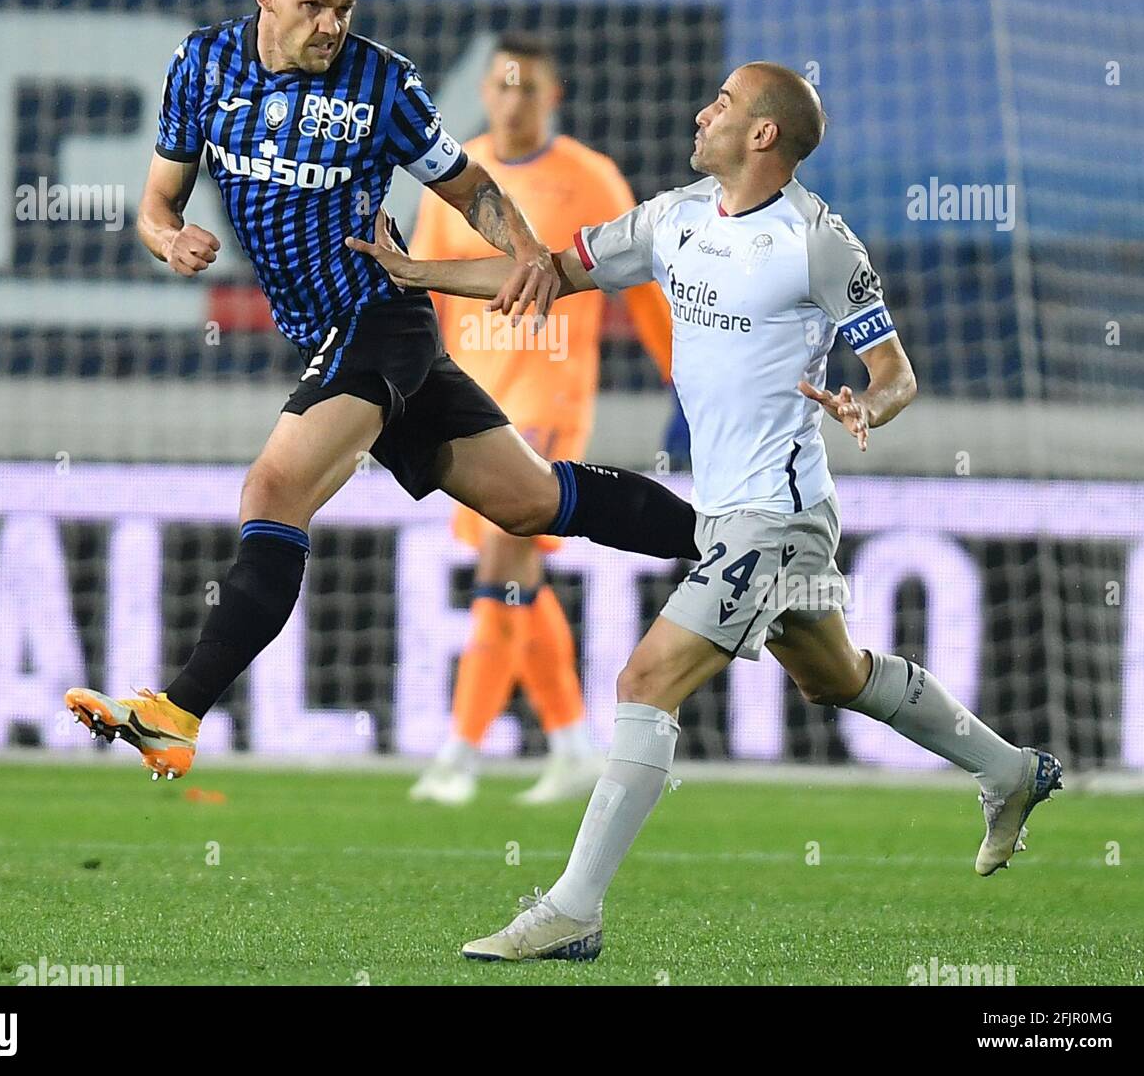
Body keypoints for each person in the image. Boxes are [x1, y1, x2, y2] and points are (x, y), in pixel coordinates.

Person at [349, 60, 1063, 962]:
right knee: (834, 679)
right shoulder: (673, 219)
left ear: (763, 134)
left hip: (780, 516)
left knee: (646, 682)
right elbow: (546, 271)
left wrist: (861, 407)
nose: (701, 111)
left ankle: (574, 908)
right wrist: (412, 269)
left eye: (722, 104)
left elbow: (895, 374)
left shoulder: (817, 241)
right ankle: (1007, 770)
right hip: (724, 511)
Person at [62, 0, 699, 780]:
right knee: (530, 502)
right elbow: (155, 204)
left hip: (377, 319)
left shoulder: (384, 82)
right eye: (315, 5)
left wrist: (524, 256)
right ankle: (728, 546)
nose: (331, 25)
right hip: (340, 338)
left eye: (345, 8)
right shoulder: (201, 67)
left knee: (274, 488)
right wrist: (167, 239)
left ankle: (178, 711)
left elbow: (473, 189)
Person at [408, 33, 672, 807]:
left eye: (528, 87)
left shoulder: (591, 180)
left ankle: (458, 756)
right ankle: (570, 744)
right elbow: (426, 296)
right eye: (501, 85)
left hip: (552, 404)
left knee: (503, 553)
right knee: (522, 580)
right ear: (484, 94)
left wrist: (682, 378)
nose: (513, 99)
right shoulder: (455, 183)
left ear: (552, 96)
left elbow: (645, 288)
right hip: (471, 403)